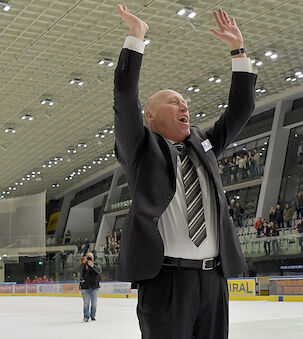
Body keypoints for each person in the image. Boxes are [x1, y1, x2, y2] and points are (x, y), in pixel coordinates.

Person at [113, 5, 256, 338]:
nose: (184, 106)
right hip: (166, 281)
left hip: (213, 279)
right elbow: (124, 96)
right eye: (174, 101)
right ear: (150, 115)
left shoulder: (205, 145)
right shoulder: (139, 148)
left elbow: (242, 108)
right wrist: (136, 38)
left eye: (185, 102)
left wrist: (238, 51)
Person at [76, 252, 102, 322]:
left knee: (94, 303)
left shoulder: (96, 264)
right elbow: (78, 270)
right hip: (85, 287)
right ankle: (86, 316)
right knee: (86, 303)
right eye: (88, 257)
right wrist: (83, 263)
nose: (90, 258)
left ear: (93, 258)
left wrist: (92, 265)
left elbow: (99, 271)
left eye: (91, 257)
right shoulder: (83, 265)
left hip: (94, 287)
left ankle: (93, 315)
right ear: (85, 257)